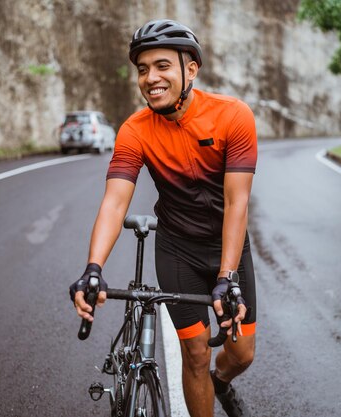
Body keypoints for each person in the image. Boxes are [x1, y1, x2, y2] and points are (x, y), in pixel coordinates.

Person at [70, 19, 257, 417]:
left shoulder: (233, 116)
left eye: (162, 66)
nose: (150, 78)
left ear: (191, 68)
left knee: (241, 354)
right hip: (177, 250)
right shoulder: (135, 131)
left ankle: (221, 382)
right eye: (142, 69)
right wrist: (93, 267)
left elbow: (237, 202)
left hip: (229, 247)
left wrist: (227, 276)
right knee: (194, 355)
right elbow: (115, 202)